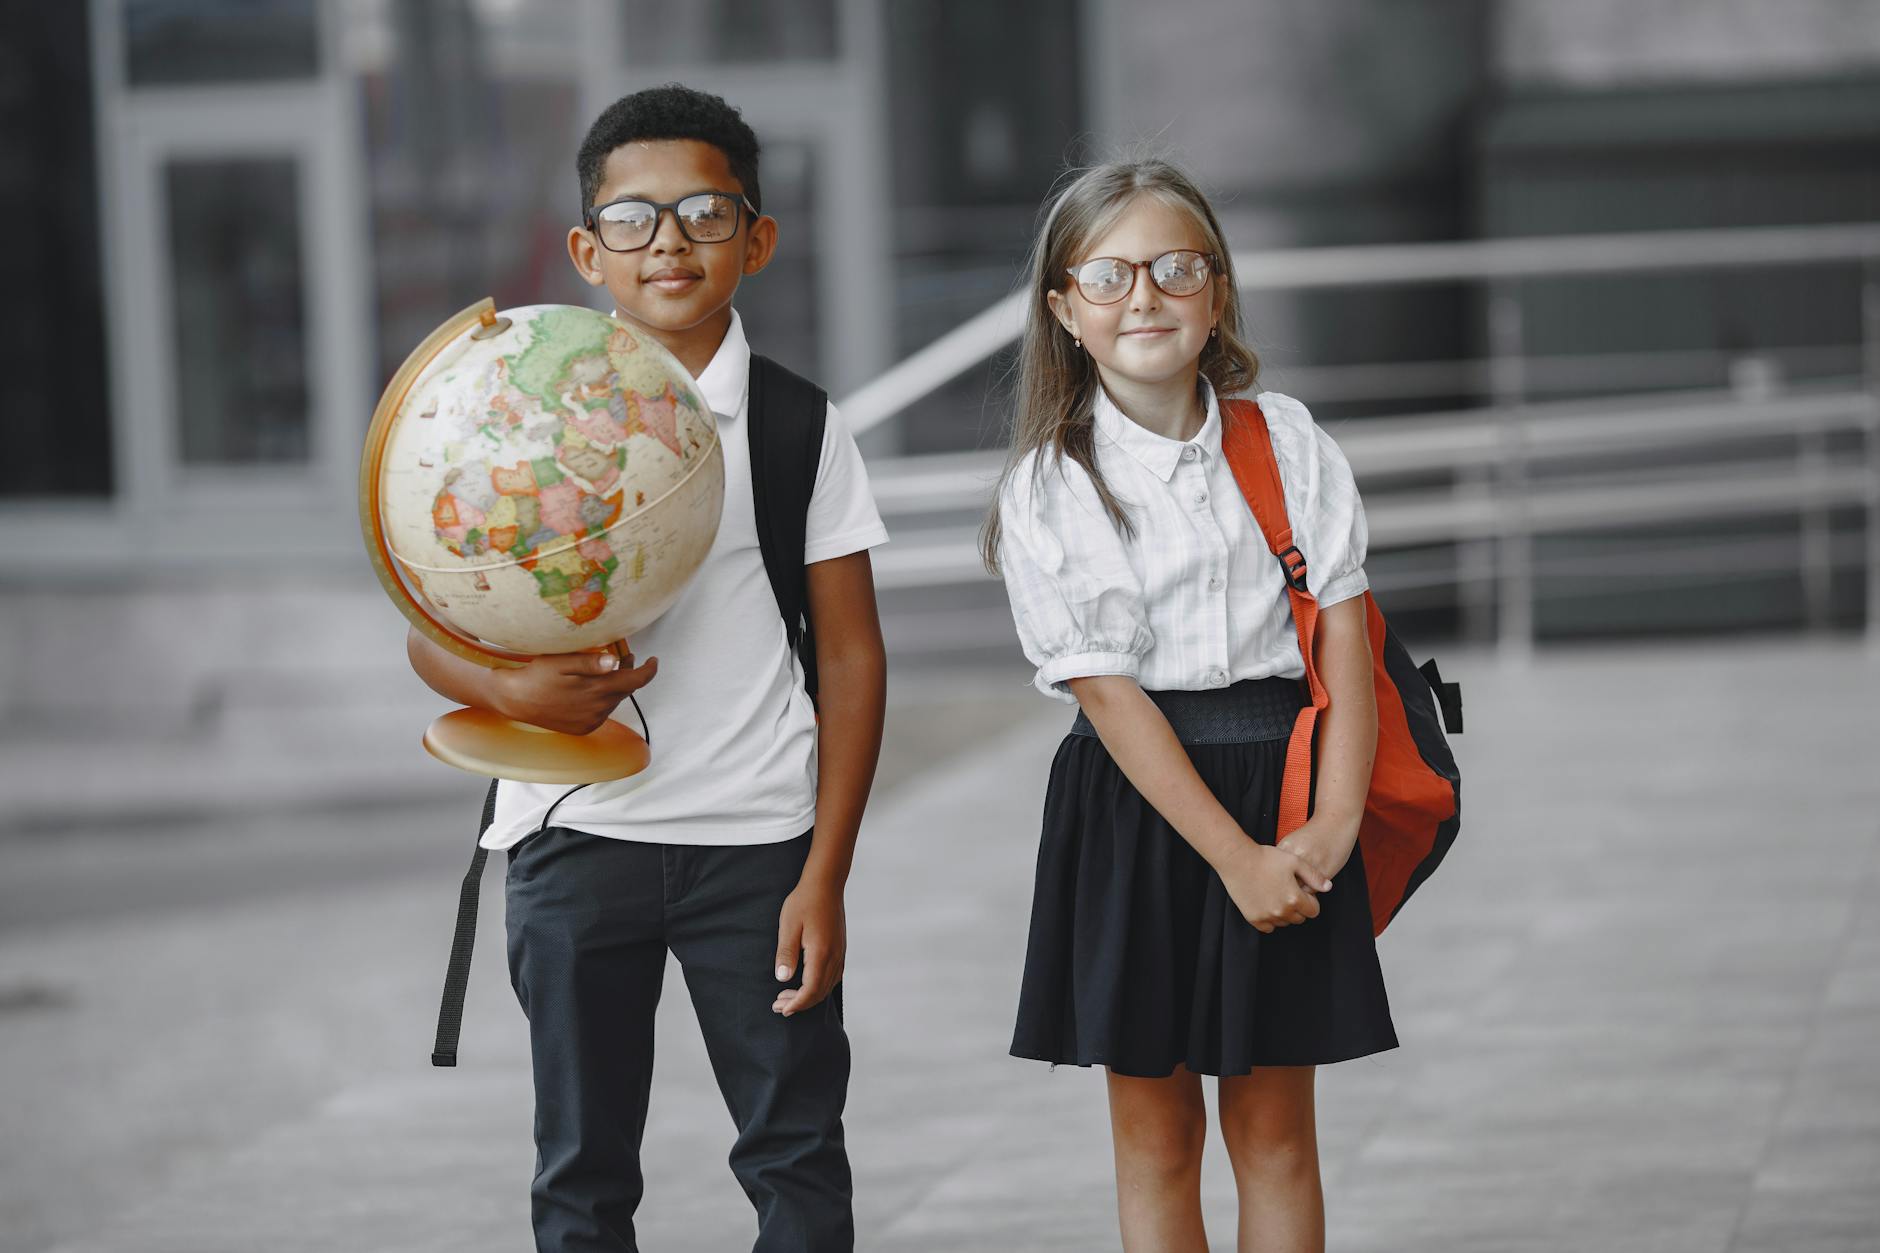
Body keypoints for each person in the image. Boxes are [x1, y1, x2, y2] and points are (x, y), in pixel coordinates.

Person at [405, 83, 887, 1253]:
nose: (667, 240)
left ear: (757, 239)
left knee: (797, 1160)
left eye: (705, 212)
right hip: (574, 840)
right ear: (586, 250)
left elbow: (851, 655)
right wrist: (510, 692)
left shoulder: (797, 426)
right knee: (581, 1176)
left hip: (757, 846)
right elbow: (434, 624)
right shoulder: (509, 414)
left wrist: (823, 873)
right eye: (632, 218)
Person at [984, 158, 1396, 1253]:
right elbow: (1109, 700)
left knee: (1274, 1133)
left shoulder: (1289, 440)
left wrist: (1327, 831)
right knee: (1157, 1135)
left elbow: (1344, 646)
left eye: (1174, 268)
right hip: (1137, 807)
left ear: (1215, 292)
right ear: (1063, 310)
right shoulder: (1049, 484)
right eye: (1108, 276)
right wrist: (1234, 857)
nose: (1144, 297)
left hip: (1287, 786)